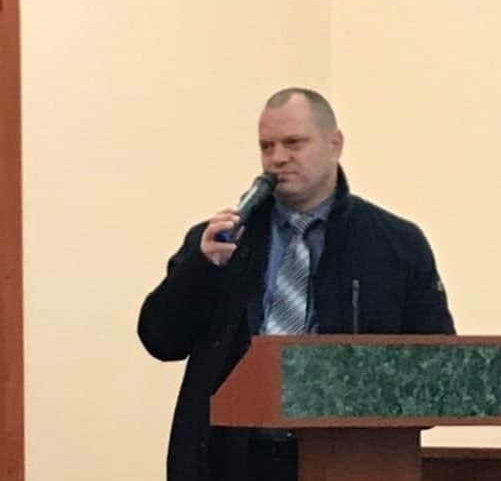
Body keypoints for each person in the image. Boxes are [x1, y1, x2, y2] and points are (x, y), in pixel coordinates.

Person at [138, 88, 455, 481]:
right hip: (232, 460)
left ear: (335, 144)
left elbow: (438, 371)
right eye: (266, 146)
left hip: (346, 461)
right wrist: (201, 270)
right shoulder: (222, 242)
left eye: (293, 143)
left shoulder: (395, 244)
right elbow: (160, 340)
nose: (277, 158)